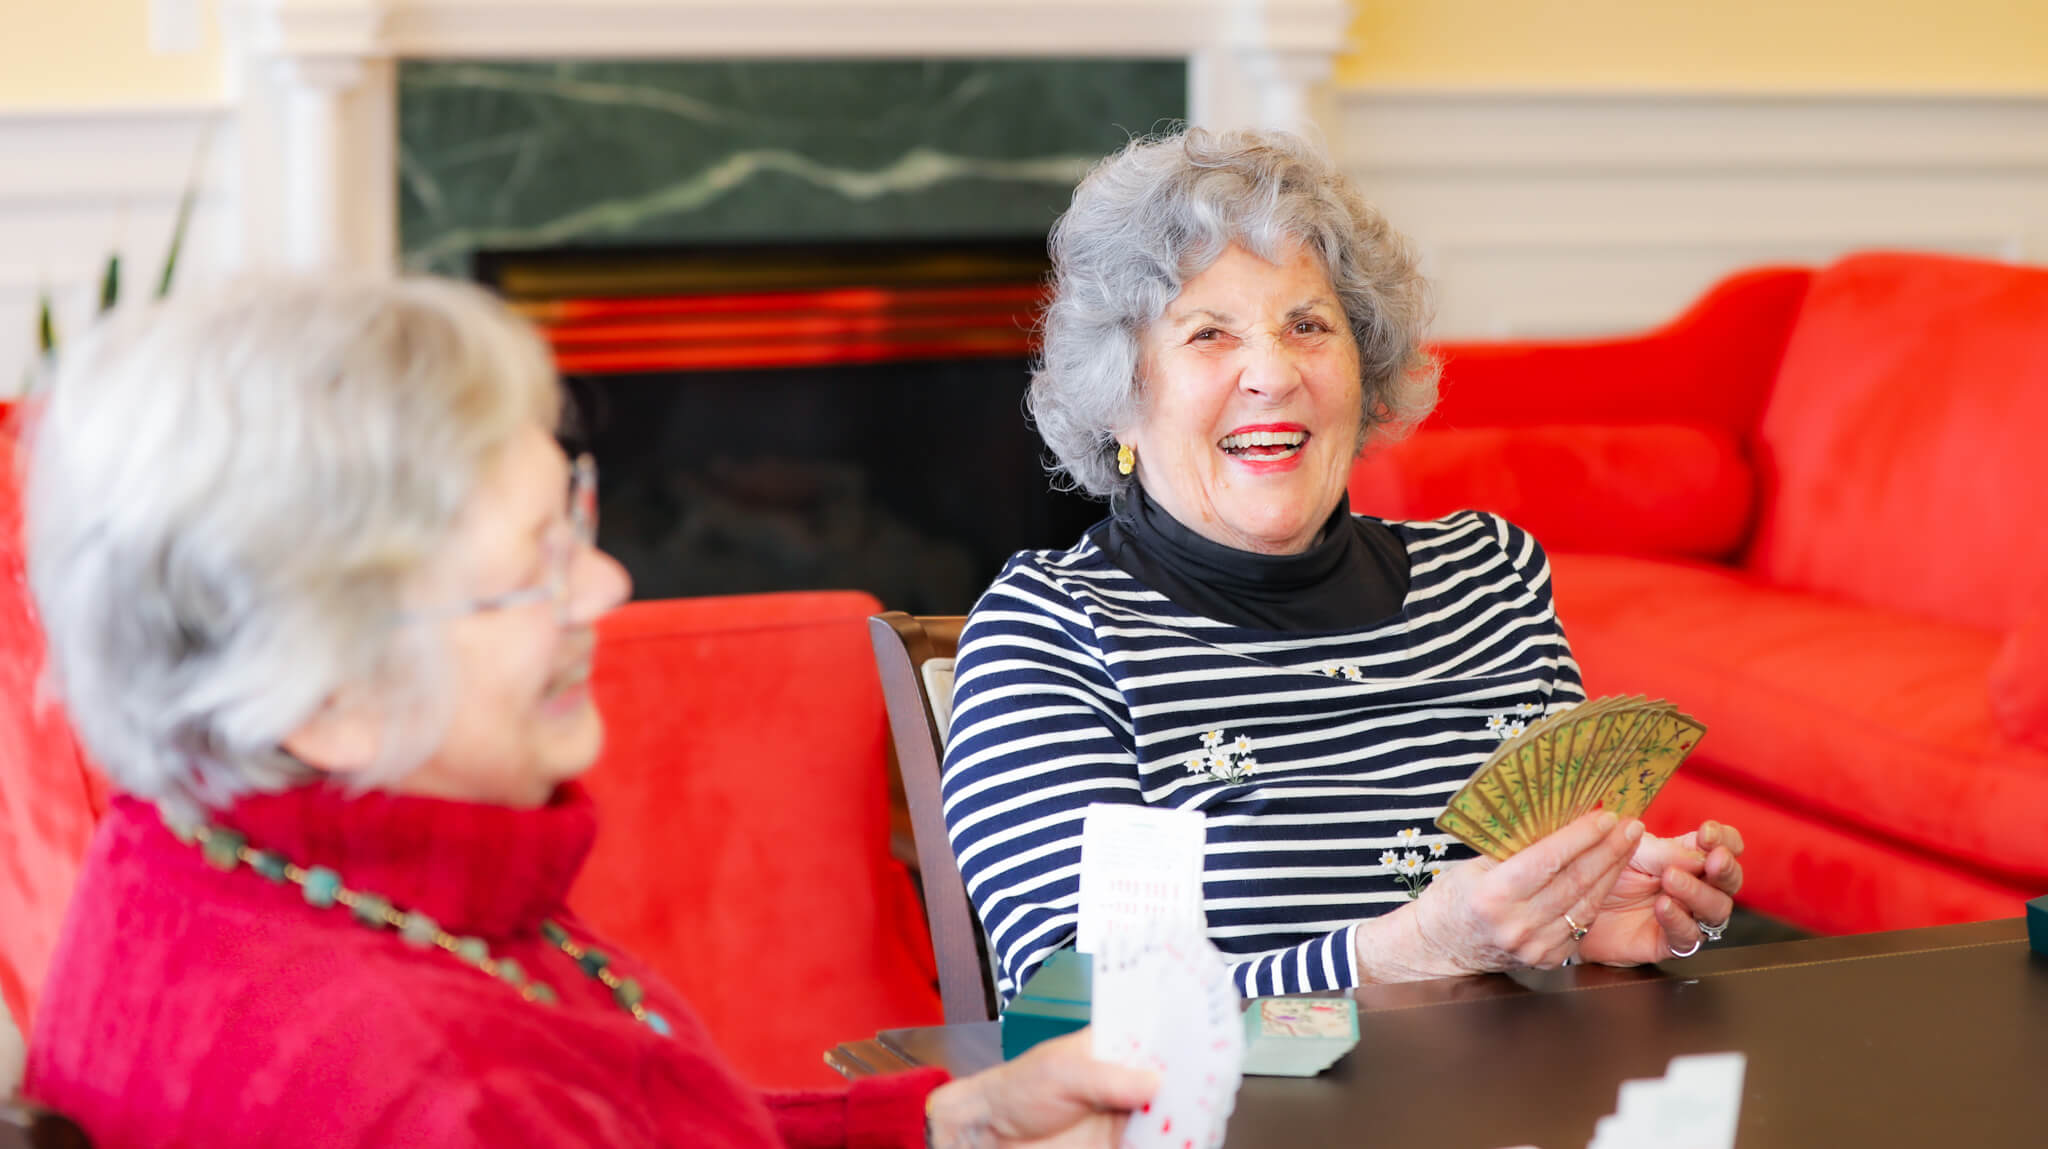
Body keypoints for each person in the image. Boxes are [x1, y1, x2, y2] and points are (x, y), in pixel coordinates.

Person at [19, 275, 1155, 1149]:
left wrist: (944, 1119)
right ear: (323, 691)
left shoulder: (190, 852)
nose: (607, 586)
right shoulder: (424, 1085)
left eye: (574, 511)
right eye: (533, 565)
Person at [941, 128, 1747, 1002]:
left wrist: (1589, 920)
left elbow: (1530, 913)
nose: (1271, 374)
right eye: (1210, 333)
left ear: (1365, 376)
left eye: (1309, 325)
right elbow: (1078, 1010)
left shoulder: (1490, 581)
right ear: (1122, 398)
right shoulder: (1057, 636)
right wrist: (1399, 954)